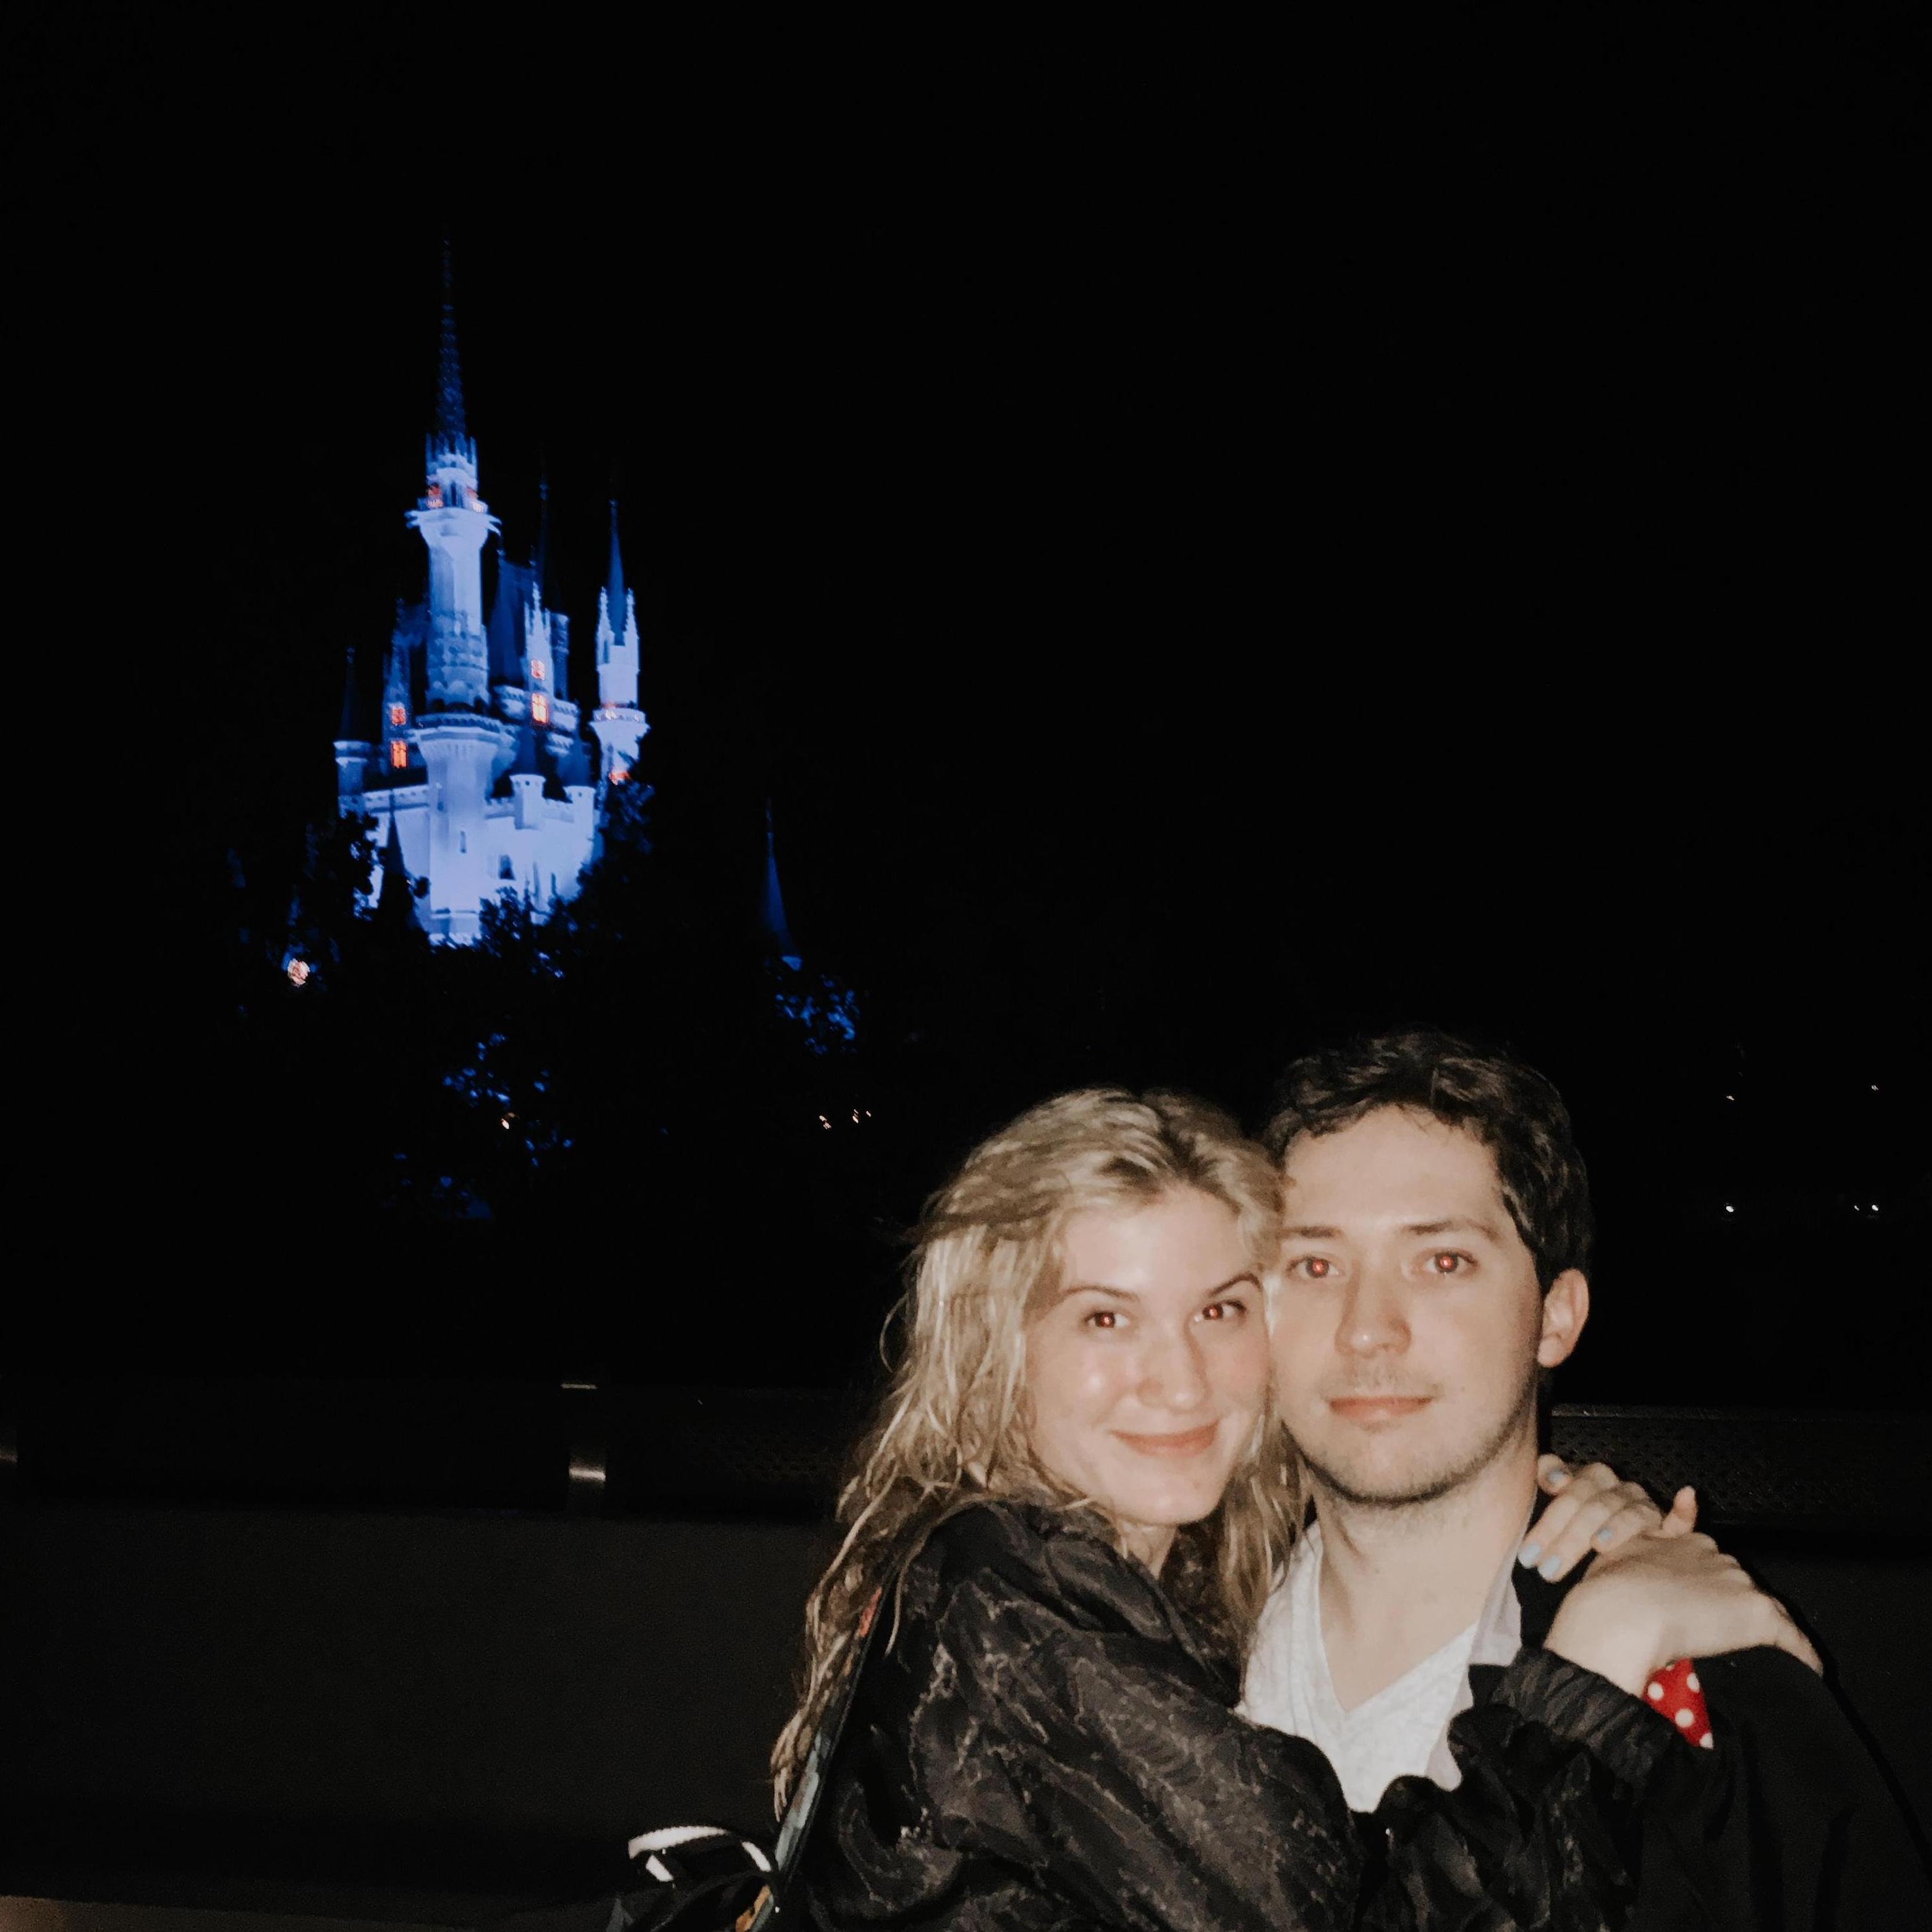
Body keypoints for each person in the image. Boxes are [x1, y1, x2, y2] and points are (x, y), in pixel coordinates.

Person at [778, 1086, 1814, 1930]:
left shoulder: (1194, 1588)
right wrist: (1595, 1651)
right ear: (996, 1349)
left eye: (1219, 1307)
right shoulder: (1011, 1593)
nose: (1178, 1382)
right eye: (1104, 1316)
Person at [1244, 1027, 1931, 1927]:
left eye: (1440, 1261)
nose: (1367, 1327)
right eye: (1316, 1263)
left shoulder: (1705, 1708)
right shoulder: (1167, 1649)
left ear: (1554, 1316)